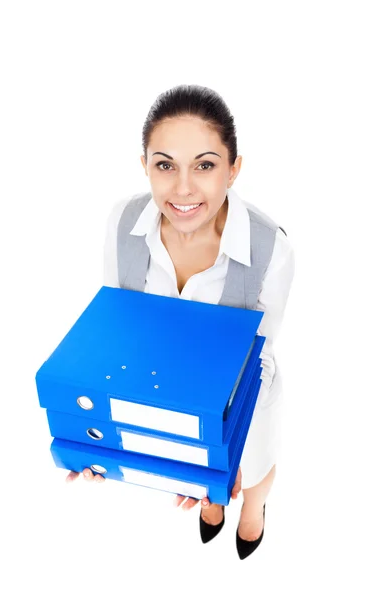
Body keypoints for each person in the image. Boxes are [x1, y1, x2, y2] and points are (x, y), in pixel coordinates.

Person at [66, 84, 295, 560]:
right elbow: (119, 327)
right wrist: (96, 436)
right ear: (145, 165)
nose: (183, 188)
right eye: (165, 165)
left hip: (242, 398)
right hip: (167, 390)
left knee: (250, 469)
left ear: (233, 169)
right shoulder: (122, 222)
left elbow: (261, 358)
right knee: (209, 487)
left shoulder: (271, 248)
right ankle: (213, 505)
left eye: (206, 165)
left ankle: (252, 513)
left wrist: (224, 452)